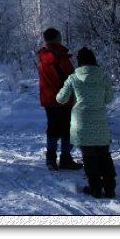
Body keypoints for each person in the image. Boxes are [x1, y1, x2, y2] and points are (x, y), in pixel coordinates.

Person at [56, 47, 116, 199]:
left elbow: (60, 99)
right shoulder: (103, 77)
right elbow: (109, 99)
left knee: (89, 157)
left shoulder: (73, 78)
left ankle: (95, 188)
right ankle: (110, 188)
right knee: (104, 155)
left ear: (79, 62)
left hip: (81, 122)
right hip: (100, 122)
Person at [37, 28, 83, 171]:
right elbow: (70, 78)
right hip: (64, 98)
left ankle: (50, 158)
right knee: (67, 129)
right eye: (60, 36)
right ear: (57, 38)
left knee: (52, 128)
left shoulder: (42, 57)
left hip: (48, 99)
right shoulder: (60, 56)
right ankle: (65, 158)